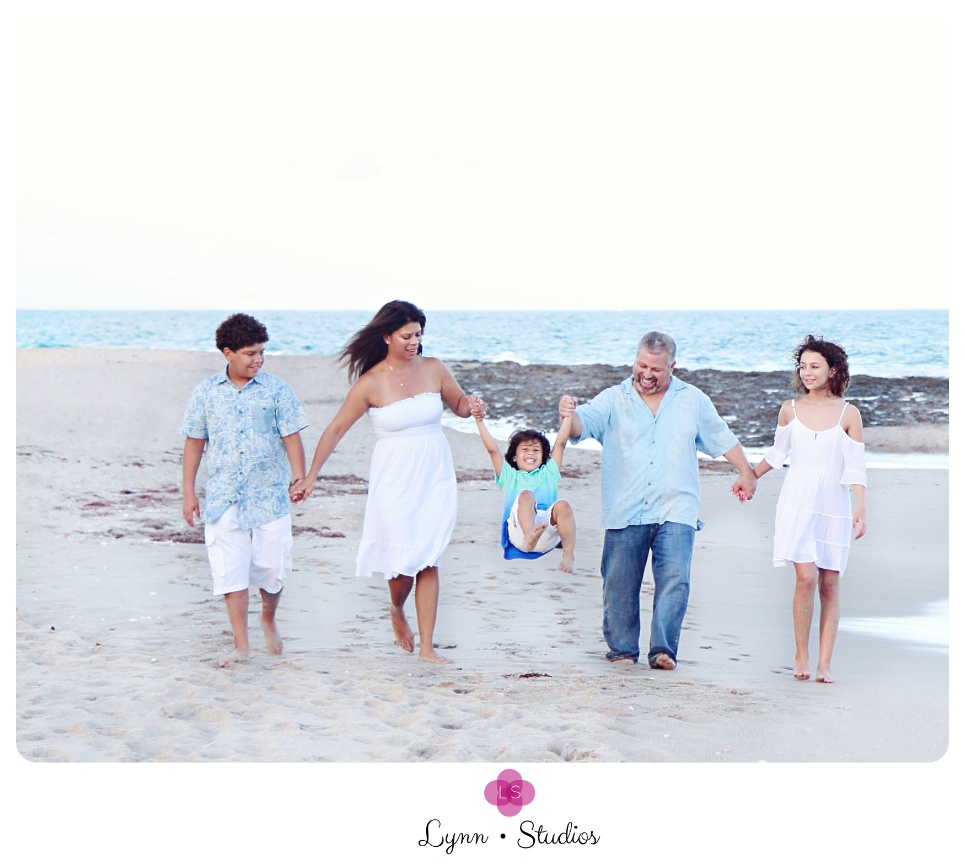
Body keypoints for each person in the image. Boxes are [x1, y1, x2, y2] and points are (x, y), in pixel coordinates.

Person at [290, 300, 474, 664]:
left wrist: (474, 405)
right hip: (394, 476)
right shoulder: (370, 382)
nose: (414, 342)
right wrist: (312, 475)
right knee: (402, 561)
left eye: (419, 335)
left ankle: (426, 648)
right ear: (387, 335)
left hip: (434, 471)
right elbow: (337, 428)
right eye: (407, 335)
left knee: (429, 556)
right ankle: (396, 607)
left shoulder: (434, 368)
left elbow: (460, 406)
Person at [560, 330, 757, 670]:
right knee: (618, 584)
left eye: (656, 369)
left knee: (675, 581)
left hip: (675, 506)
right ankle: (622, 649)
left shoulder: (692, 399)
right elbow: (582, 426)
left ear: (672, 367)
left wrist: (746, 471)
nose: (647, 374)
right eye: (642, 366)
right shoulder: (613, 398)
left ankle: (662, 650)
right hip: (625, 506)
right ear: (635, 361)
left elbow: (720, 435)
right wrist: (568, 413)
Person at [180, 313, 308, 668]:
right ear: (227, 353)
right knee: (229, 570)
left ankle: (268, 616)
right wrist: (188, 493)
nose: (258, 359)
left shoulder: (276, 389)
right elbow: (194, 443)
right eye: (250, 353)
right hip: (223, 497)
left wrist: (298, 477)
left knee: (272, 568)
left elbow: (291, 435)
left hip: (269, 496)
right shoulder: (205, 393)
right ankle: (241, 645)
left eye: (262, 352)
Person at [750, 335, 867, 684]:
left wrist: (861, 506)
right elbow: (776, 454)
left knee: (829, 583)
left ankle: (824, 663)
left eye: (814, 366)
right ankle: (801, 653)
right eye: (802, 367)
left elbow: (855, 467)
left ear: (833, 370)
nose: (807, 373)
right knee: (805, 579)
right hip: (797, 502)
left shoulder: (850, 413)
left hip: (833, 504)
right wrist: (749, 477)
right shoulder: (791, 409)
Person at [469, 398, 577, 572]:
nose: (531, 453)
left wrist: (568, 415)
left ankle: (568, 554)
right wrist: (479, 420)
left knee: (563, 505)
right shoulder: (509, 475)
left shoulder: (548, 472)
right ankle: (529, 535)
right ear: (514, 457)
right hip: (519, 532)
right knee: (526, 495)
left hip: (545, 533)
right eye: (525, 450)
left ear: (543, 457)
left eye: (536, 450)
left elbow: (560, 443)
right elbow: (493, 450)